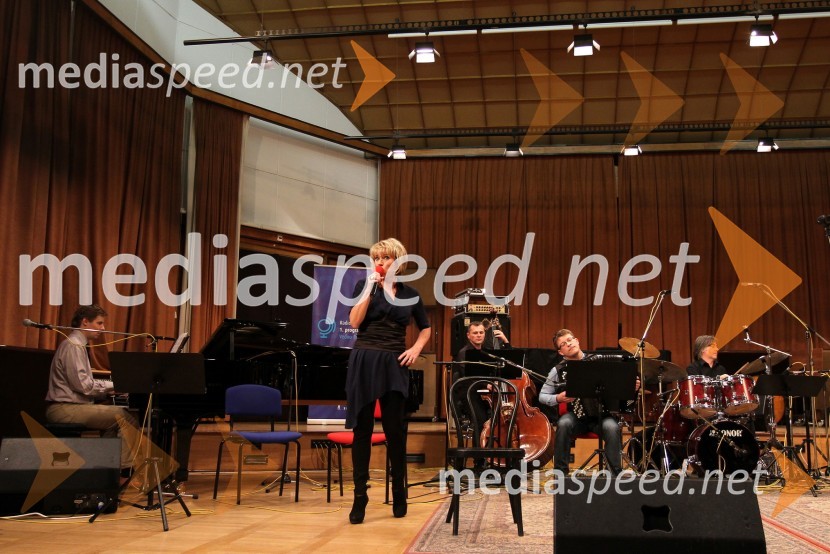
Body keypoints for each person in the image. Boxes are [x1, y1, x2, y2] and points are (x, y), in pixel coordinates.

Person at [346, 238, 431, 524]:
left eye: (385, 258)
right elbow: (354, 322)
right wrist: (369, 289)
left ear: (398, 261)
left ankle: (399, 493)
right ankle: (360, 497)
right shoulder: (364, 286)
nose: (380, 262)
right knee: (362, 430)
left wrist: (416, 349)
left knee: (395, 431)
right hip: (365, 359)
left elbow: (426, 328)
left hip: (394, 362)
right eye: (376, 258)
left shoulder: (411, 294)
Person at [45, 305, 137, 469]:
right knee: (126, 419)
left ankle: (104, 470)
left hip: (69, 407)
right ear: (85, 322)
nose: (103, 328)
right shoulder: (73, 345)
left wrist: (107, 392)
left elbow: (82, 386)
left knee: (115, 420)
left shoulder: (77, 345)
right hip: (63, 409)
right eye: (99, 323)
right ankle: (120, 473)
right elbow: (84, 386)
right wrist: (115, 385)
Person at [538, 329, 636, 475]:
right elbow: (542, 396)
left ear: (577, 341)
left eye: (570, 340)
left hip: (603, 415)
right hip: (576, 417)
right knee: (563, 424)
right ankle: (560, 474)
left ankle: (614, 475)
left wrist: (631, 386)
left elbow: (620, 389)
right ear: (560, 352)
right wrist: (558, 398)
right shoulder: (558, 370)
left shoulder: (599, 362)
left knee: (612, 427)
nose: (568, 344)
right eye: (563, 344)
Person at [451, 321, 510, 472]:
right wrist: (486, 384)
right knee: (481, 421)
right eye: (475, 333)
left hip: (486, 395)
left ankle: (498, 459)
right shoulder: (464, 353)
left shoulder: (486, 351)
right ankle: (480, 462)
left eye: (481, 332)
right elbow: (468, 379)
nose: (478, 335)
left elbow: (507, 363)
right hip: (469, 395)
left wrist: (505, 342)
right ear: (468, 335)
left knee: (501, 418)